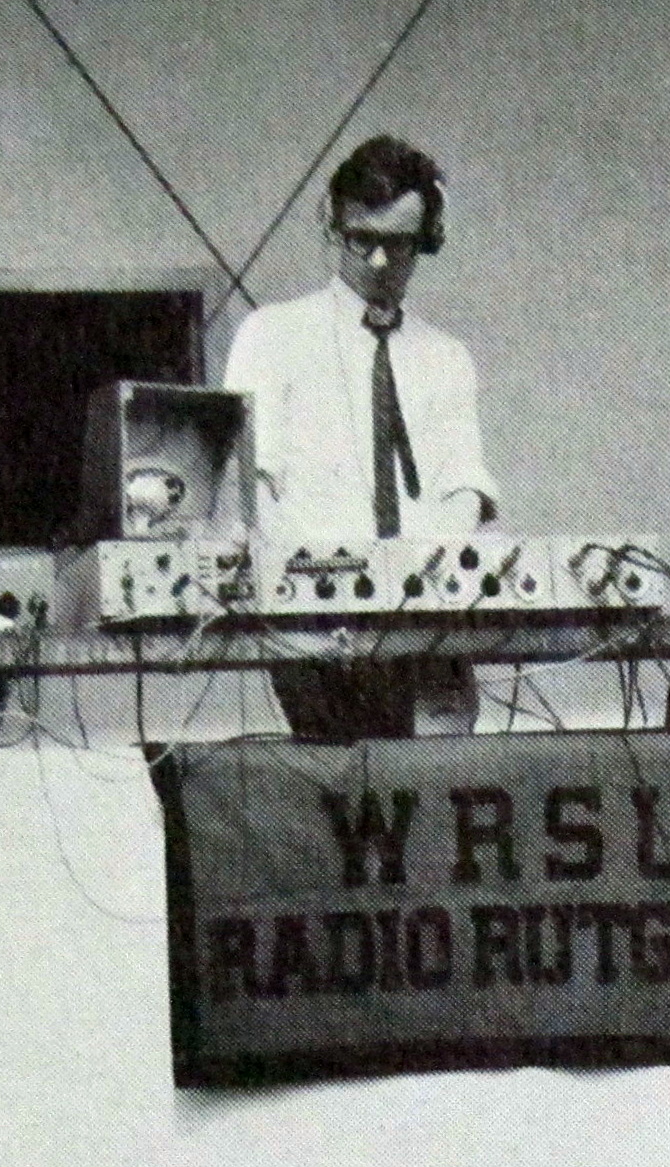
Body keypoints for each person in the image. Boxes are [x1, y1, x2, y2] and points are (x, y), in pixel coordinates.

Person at [222, 133, 497, 742]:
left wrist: (418, 583)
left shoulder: (447, 357)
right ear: (332, 225)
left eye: (397, 245)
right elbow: (257, 488)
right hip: (317, 635)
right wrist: (324, 592)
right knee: (344, 810)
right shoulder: (271, 337)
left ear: (427, 240)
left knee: (436, 801)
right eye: (360, 240)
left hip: (427, 629)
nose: (376, 262)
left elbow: (465, 487)